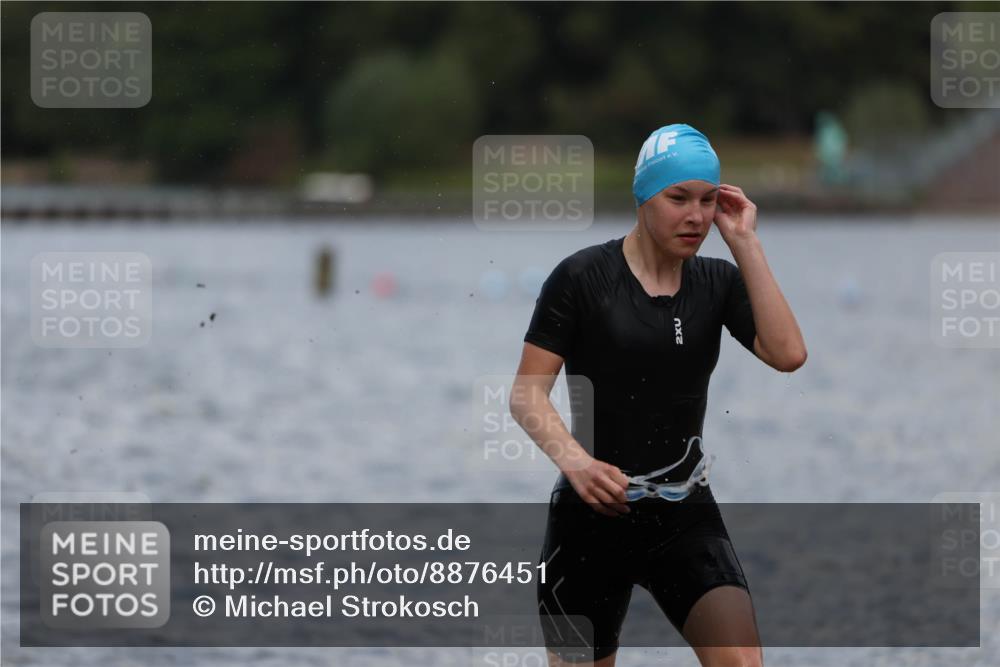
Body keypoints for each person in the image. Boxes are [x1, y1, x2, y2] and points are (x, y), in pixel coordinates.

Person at [509, 123, 807, 667]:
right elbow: (526, 396)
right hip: (591, 518)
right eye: (678, 198)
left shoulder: (718, 283)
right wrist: (576, 463)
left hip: (684, 512)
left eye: (707, 200)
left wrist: (744, 242)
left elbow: (788, 354)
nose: (695, 216)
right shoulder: (581, 278)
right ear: (644, 196)